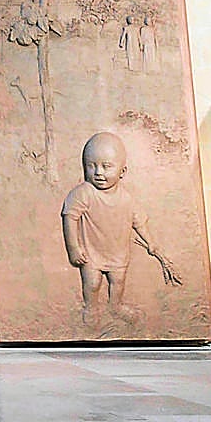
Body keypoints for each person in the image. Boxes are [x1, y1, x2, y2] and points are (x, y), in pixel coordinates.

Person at [61, 132, 180, 327]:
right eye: (92, 166)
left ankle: (115, 306)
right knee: (92, 283)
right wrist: (74, 248)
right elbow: (70, 217)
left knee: (118, 282)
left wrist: (151, 242)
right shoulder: (84, 193)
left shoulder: (127, 199)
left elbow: (139, 222)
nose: (98, 172)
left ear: (122, 171)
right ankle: (91, 307)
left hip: (118, 254)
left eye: (106, 166)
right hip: (91, 253)